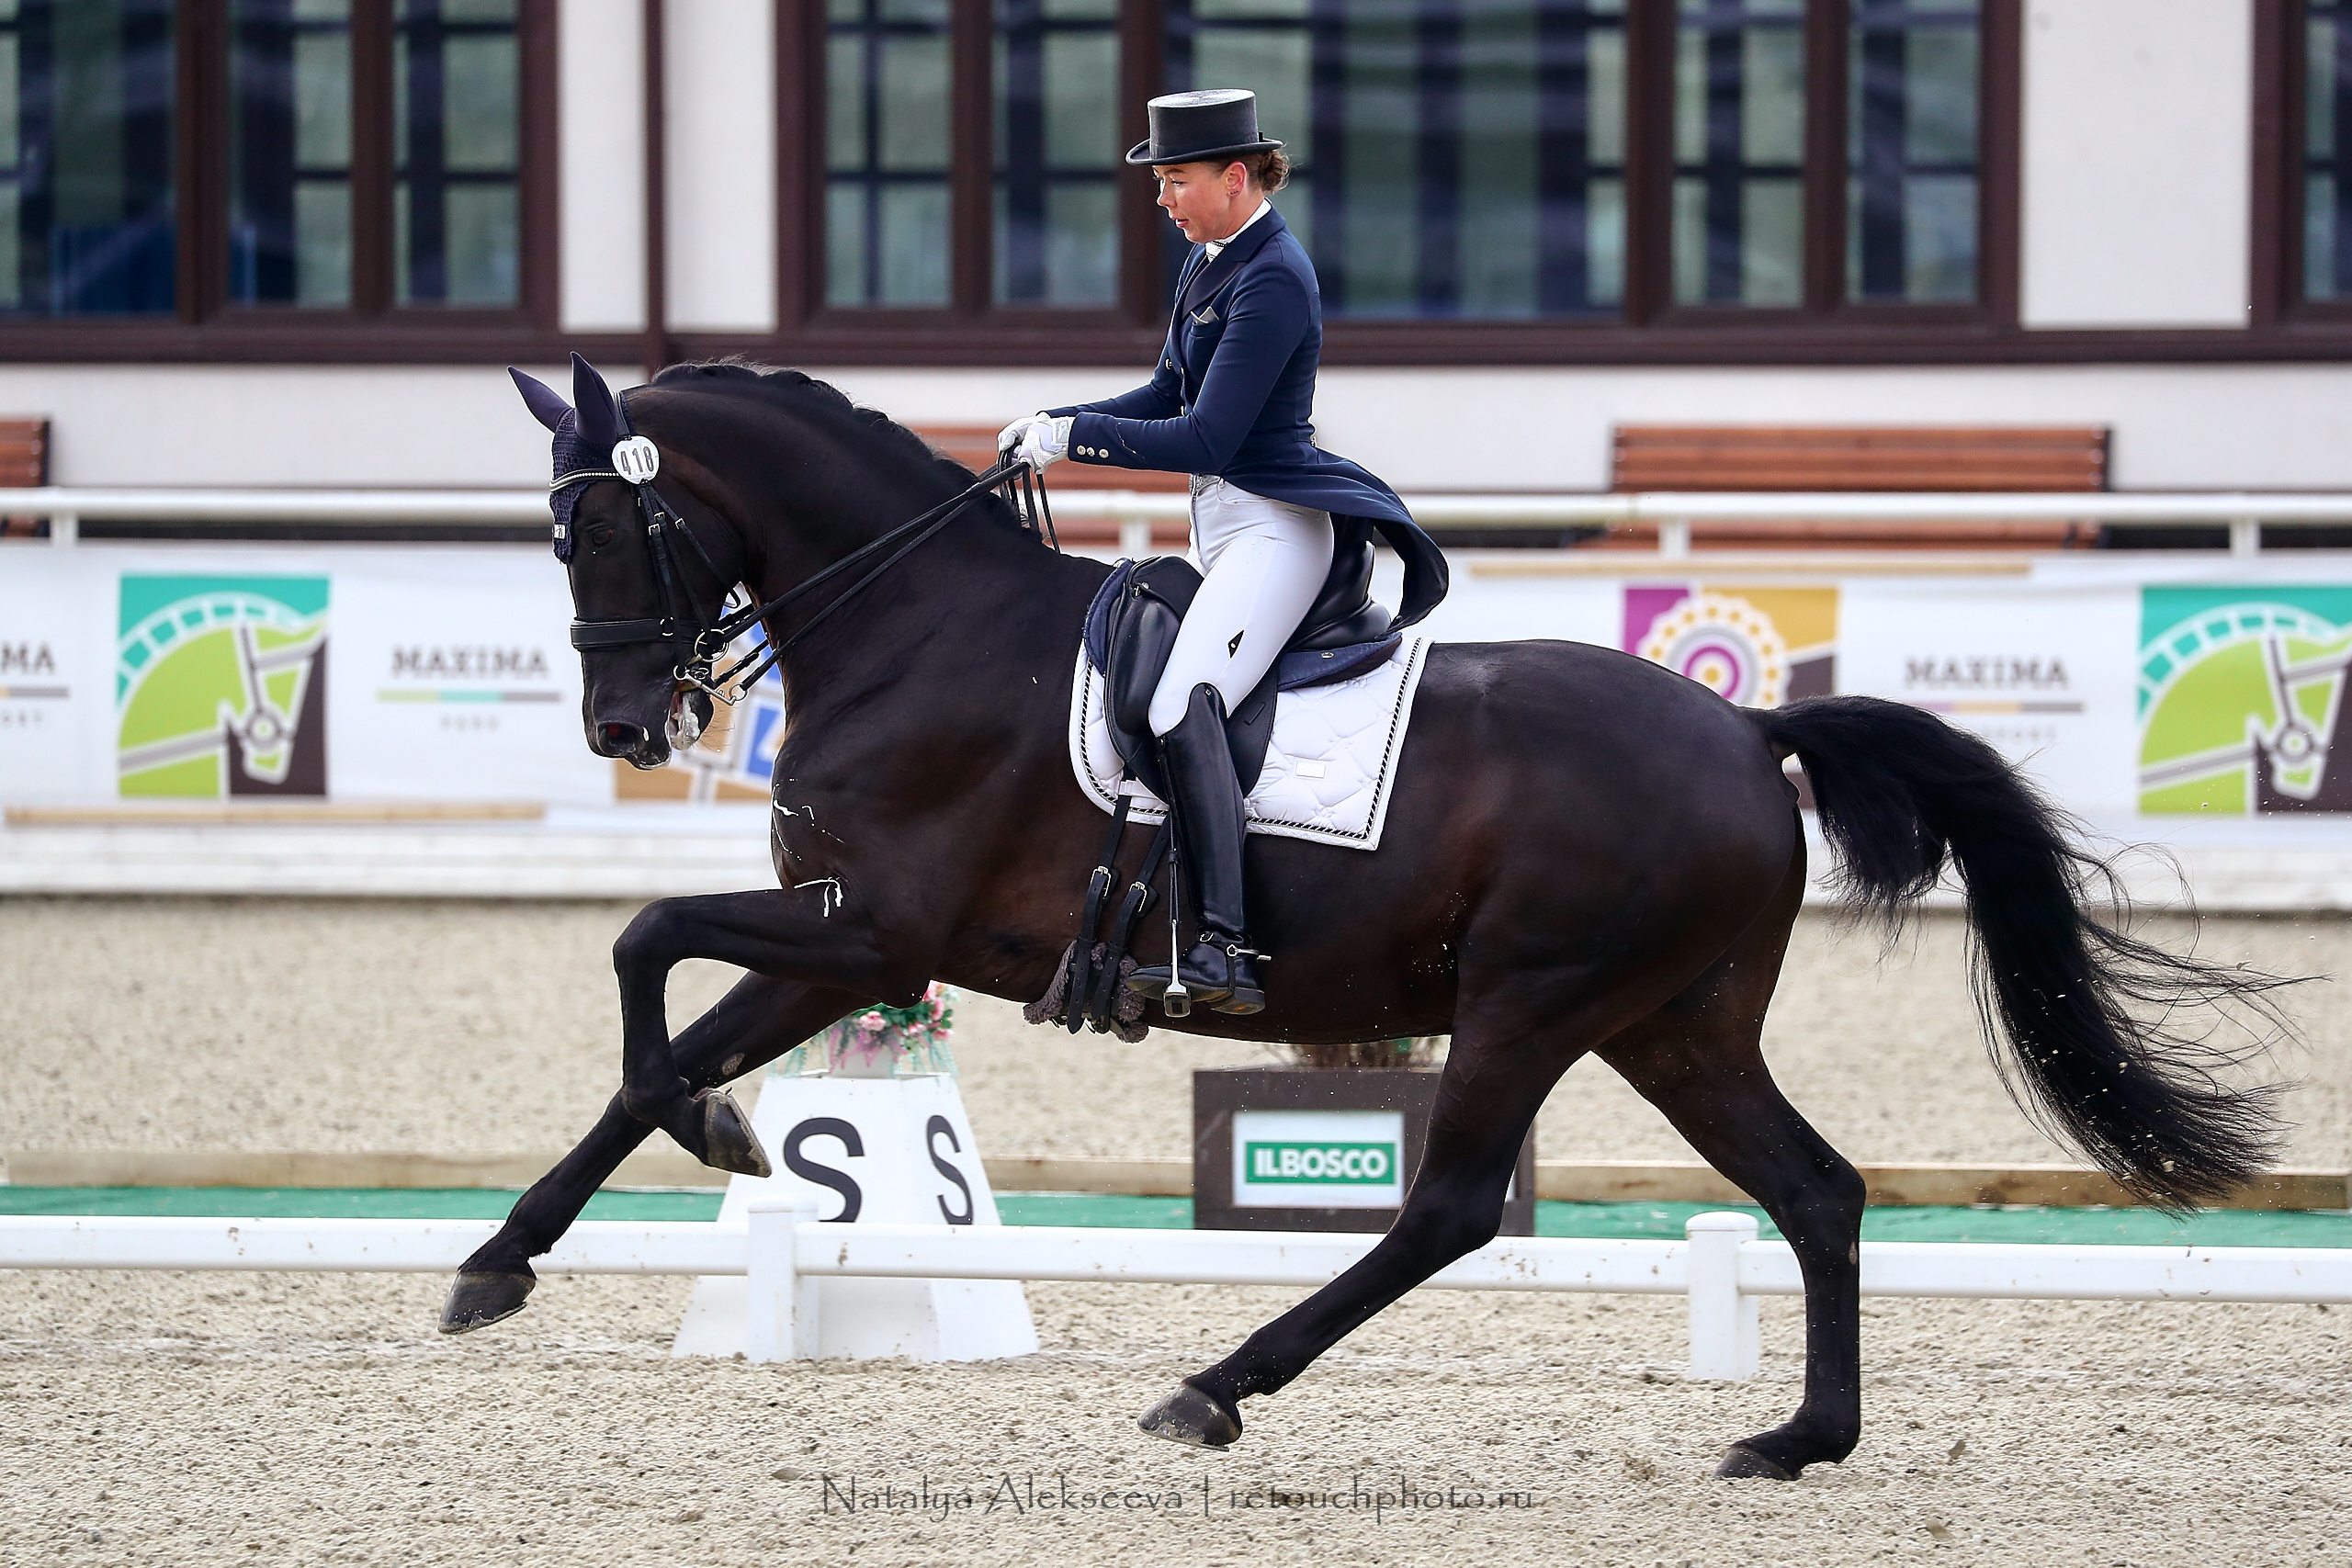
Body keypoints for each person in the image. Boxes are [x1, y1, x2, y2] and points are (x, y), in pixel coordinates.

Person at [999, 88, 1445, 1018]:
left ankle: (1226, 947)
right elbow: (1166, 393)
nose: (1163, 199)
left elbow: (1205, 437)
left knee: (1179, 703)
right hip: (1229, 528)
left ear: (1235, 176)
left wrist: (1074, 439)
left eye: (1177, 181)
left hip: (1277, 529)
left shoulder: (1272, 275)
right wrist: (1054, 421)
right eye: (1160, 181)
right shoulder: (1210, 264)